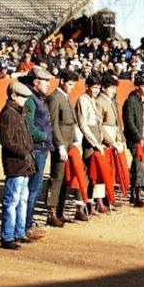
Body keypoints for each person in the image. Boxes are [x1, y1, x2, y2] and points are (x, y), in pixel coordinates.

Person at [0, 81, 36, 250]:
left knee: (21, 199)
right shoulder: (8, 113)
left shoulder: (18, 112)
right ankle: (7, 237)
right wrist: (24, 152)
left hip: (23, 163)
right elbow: (6, 141)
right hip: (15, 163)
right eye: (22, 96)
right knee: (13, 200)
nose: (25, 100)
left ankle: (18, 233)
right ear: (13, 96)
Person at [22, 68, 54, 241]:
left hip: (41, 147)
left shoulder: (38, 98)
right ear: (36, 82)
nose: (48, 84)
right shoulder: (30, 99)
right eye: (45, 81)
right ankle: (26, 226)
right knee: (32, 189)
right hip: (36, 148)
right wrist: (44, 136)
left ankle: (28, 221)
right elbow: (29, 126)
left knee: (34, 188)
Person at [46, 69, 80, 226]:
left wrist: (73, 141)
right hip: (60, 144)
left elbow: (69, 124)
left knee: (65, 177)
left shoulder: (65, 97)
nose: (72, 87)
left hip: (68, 143)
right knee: (57, 177)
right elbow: (53, 124)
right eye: (70, 84)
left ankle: (60, 211)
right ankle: (51, 212)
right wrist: (59, 145)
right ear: (62, 81)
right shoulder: (54, 98)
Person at [76, 74, 108, 216]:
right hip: (90, 140)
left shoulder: (92, 100)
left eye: (98, 87)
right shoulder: (82, 100)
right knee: (86, 173)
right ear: (87, 87)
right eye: (94, 87)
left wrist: (100, 138)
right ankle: (80, 206)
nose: (96, 90)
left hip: (96, 136)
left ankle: (90, 203)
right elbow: (83, 125)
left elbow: (98, 122)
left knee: (93, 173)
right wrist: (95, 143)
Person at [95, 74, 127, 207]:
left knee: (111, 170)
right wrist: (111, 141)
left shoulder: (110, 101)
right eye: (112, 88)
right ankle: (99, 201)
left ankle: (109, 197)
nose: (114, 90)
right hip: (105, 139)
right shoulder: (99, 101)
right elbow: (99, 126)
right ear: (103, 88)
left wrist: (120, 139)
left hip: (113, 136)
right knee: (102, 171)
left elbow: (116, 124)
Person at [122, 75, 144, 207]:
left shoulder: (142, 100)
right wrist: (138, 137)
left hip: (143, 138)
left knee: (137, 165)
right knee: (139, 165)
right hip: (135, 139)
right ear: (137, 87)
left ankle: (134, 194)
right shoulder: (131, 101)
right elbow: (129, 122)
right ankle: (137, 194)